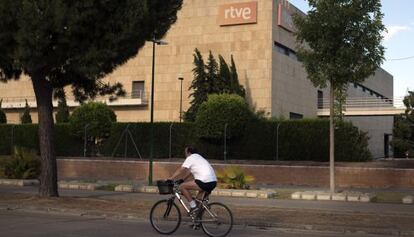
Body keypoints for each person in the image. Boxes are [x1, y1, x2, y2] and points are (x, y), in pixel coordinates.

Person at [169, 146, 217, 213]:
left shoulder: (190, 158)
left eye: (185, 152)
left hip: (204, 181)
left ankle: (193, 206)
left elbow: (181, 169)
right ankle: (198, 220)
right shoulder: (199, 157)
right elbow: (190, 172)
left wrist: (170, 178)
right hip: (213, 182)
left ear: (189, 152)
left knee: (182, 186)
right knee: (198, 202)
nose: (185, 154)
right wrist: (183, 179)